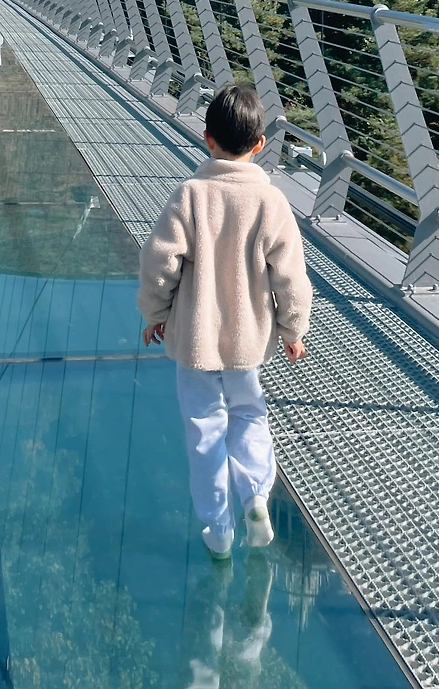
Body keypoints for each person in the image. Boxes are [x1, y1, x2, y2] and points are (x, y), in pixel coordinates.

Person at [138, 84, 312, 561]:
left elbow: (159, 263)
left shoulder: (191, 195)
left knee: (205, 428)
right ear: (260, 145)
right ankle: (255, 493)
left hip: (195, 343)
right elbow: (291, 276)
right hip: (247, 343)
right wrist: (292, 329)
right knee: (249, 414)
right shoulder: (271, 201)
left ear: (207, 139)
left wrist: (155, 313)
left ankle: (218, 527)